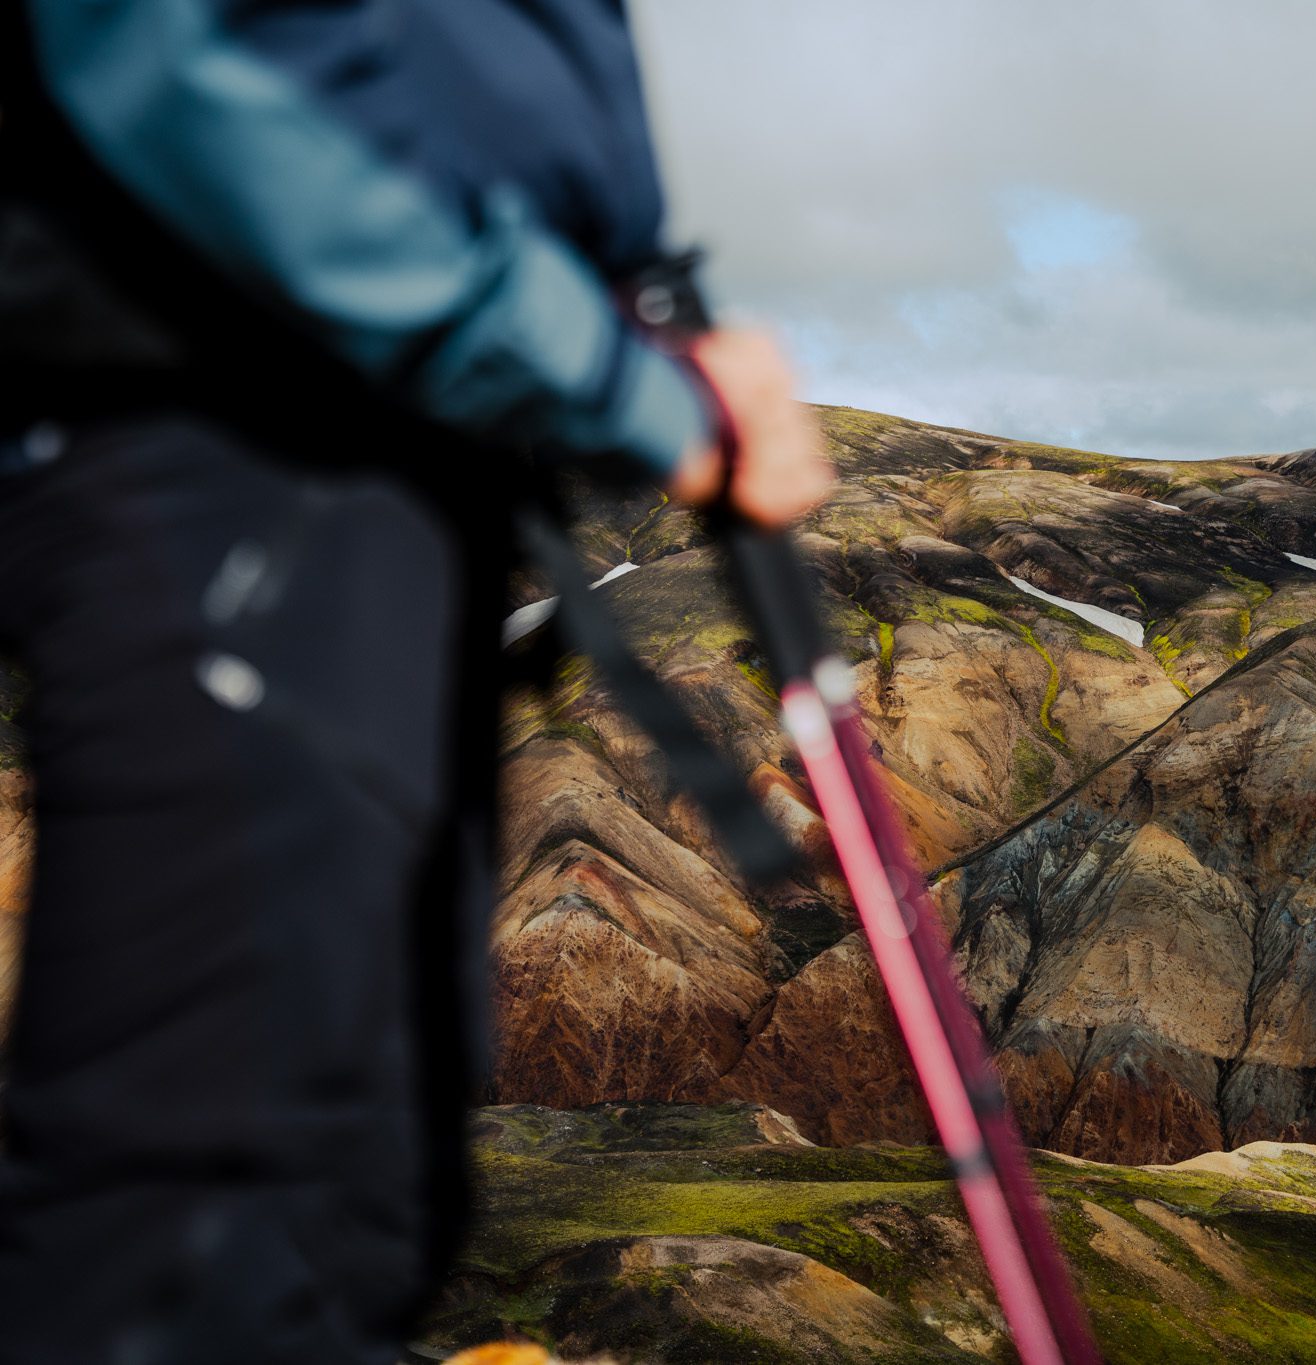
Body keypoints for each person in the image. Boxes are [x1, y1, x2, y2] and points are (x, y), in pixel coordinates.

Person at [0, 2, 832, 1361]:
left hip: (378, 464)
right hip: (236, 422)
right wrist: (618, 379)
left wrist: (621, 297)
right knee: (208, 1230)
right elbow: (180, 72)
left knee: (354, 1194)